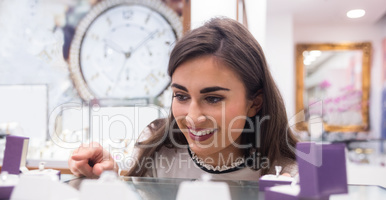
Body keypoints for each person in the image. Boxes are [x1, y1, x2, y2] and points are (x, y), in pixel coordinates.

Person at [68, 17, 299, 180]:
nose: (193, 117)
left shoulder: (288, 172)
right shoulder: (157, 150)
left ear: (254, 103)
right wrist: (106, 178)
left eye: (213, 98)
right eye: (181, 95)